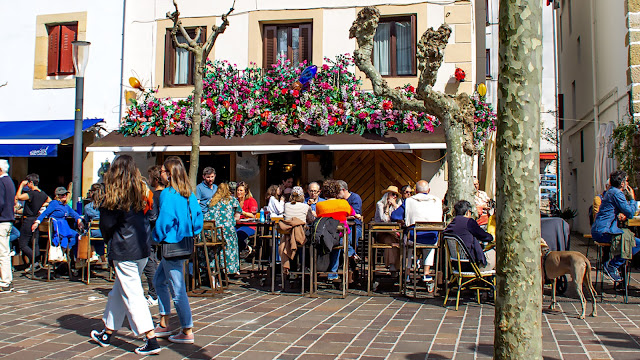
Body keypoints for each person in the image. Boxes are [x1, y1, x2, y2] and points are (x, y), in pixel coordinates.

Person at [90, 155, 160, 355]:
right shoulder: (142, 190)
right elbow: (151, 215)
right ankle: (107, 332)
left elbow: (106, 225)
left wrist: (108, 242)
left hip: (124, 248)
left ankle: (151, 339)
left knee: (133, 294)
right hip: (142, 247)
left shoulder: (113, 194)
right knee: (118, 292)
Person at [153, 156, 203, 344]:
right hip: (184, 242)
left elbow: (164, 220)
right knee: (159, 280)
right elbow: (198, 217)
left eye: (163, 171)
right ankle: (164, 321)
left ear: (169, 173)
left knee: (177, 288)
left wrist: (156, 237)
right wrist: (190, 231)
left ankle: (186, 329)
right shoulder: (188, 193)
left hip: (171, 243)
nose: (161, 174)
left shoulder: (168, 193)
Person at [591, 170, 640, 282]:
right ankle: (612, 265)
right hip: (604, 232)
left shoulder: (610, 192)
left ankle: (613, 265)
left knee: (628, 238)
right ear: (622, 183)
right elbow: (630, 213)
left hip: (600, 230)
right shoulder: (617, 193)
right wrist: (632, 199)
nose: (627, 183)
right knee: (635, 243)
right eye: (626, 181)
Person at [396, 180, 443, 283]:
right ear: (429, 190)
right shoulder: (437, 200)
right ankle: (426, 273)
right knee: (430, 245)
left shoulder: (409, 201)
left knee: (408, 247)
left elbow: (395, 215)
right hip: (431, 236)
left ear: (416, 190)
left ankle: (407, 273)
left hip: (413, 237)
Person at [316, 180, 361, 281]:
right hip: (340, 236)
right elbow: (352, 213)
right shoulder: (344, 204)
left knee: (333, 242)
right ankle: (349, 255)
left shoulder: (320, 205)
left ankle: (328, 273)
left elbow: (319, 217)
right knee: (340, 242)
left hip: (325, 238)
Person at [445, 200, 495, 271]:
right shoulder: (468, 222)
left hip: (456, 265)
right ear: (467, 212)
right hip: (472, 265)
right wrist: (493, 238)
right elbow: (484, 236)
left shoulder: (451, 225)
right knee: (496, 250)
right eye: (471, 213)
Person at [32, 187, 83, 256]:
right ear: (57, 196)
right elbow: (45, 213)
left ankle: (66, 252)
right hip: (56, 227)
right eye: (62, 194)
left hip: (64, 227)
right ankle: (62, 253)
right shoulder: (54, 203)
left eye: (65, 194)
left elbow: (74, 214)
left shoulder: (65, 206)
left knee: (76, 235)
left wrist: (79, 220)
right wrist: (37, 222)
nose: (64, 196)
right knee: (66, 236)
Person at [15, 174, 50, 271]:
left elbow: (18, 197)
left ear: (31, 183)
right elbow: (50, 201)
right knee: (35, 242)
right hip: (36, 218)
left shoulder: (31, 193)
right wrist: (42, 205)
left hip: (28, 220)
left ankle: (35, 260)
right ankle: (36, 262)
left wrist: (21, 185)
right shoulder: (42, 194)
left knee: (23, 244)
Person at [204, 183, 242, 275]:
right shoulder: (232, 200)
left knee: (212, 246)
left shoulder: (211, 201)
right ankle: (228, 268)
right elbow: (237, 216)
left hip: (210, 232)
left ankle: (211, 267)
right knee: (230, 243)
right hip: (225, 232)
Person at [279, 186, 314, 275]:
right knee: (309, 241)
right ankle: (305, 266)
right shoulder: (306, 206)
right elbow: (311, 220)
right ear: (302, 196)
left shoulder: (286, 205)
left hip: (288, 235)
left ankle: (292, 267)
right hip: (300, 236)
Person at [144, 165, 165, 307]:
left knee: (149, 262)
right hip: (165, 233)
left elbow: (152, 216)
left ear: (156, 179)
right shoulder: (168, 194)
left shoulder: (153, 196)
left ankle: (154, 293)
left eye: (150, 177)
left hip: (152, 232)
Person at [374, 186, 402, 271]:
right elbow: (384, 220)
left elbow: (401, 216)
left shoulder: (398, 205)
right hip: (382, 231)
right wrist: (387, 208)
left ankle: (397, 266)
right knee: (390, 240)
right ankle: (393, 266)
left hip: (394, 232)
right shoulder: (380, 204)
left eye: (396, 195)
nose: (394, 197)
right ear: (387, 194)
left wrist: (394, 205)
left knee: (394, 240)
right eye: (393, 194)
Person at [336, 180, 362, 262]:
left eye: (337, 191)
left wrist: (340, 216)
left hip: (354, 226)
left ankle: (350, 263)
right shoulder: (338, 200)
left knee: (347, 241)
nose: (336, 194)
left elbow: (355, 215)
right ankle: (353, 255)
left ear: (343, 190)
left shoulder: (355, 198)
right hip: (339, 226)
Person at [0, 160, 15, 293]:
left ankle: (5, 281)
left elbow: (0, 202)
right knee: (5, 251)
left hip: (2, 220)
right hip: (8, 220)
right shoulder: (9, 181)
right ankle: (6, 280)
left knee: (2, 252)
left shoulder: (1, 182)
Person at [84, 183, 106, 263]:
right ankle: (103, 258)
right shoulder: (106, 205)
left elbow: (86, 221)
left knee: (87, 232)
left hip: (93, 232)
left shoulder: (88, 207)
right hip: (104, 232)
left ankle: (92, 254)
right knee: (99, 235)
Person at [236, 181, 258, 257]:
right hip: (237, 224)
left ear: (245, 192)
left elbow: (253, 215)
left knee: (239, 234)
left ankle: (246, 248)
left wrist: (243, 213)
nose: (239, 192)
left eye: (241, 190)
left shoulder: (251, 200)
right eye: (238, 190)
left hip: (249, 225)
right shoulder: (236, 201)